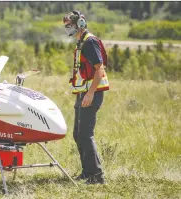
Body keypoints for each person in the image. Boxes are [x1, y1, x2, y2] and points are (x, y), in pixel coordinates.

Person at [63, 10, 110, 184]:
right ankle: (87, 172)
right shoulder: (81, 42)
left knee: (85, 134)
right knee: (78, 133)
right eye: (66, 26)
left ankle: (97, 176)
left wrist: (90, 93)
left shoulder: (90, 42)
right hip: (83, 93)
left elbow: (100, 69)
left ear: (80, 24)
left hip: (92, 94)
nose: (67, 28)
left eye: (70, 25)